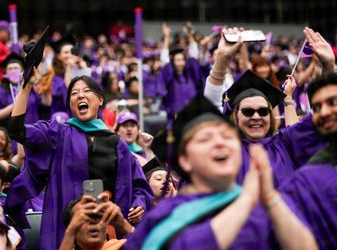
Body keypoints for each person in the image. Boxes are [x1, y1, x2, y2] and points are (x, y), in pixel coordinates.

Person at [126, 95, 316, 249]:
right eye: (205, 139)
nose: (220, 143)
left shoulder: (259, 209)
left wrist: (271, 198)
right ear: (184, 159)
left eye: (227, 136)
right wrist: (246, 200)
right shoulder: (165, 217)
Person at [5, 74, 153, 249]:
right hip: (68, 230)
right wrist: (26, 87)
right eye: (74, 93)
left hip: (109, 233)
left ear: (100, 100)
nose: (80, 95)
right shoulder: (58, 134)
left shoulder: (117, 143)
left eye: (86, 91)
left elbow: (139, 185)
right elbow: (17, 131)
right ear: (70, 104)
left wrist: (139, 204)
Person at [204, 28, 325, 187]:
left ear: (270, 115)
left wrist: (329, 67)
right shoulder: (225, 150)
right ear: (236, 115)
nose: (256, 116)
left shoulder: (284, 144)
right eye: (248, 111)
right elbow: (209, 109)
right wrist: (221, 61)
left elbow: (324, 112)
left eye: (263, 111)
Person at [280, 72, 337, 249]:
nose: (324, 112)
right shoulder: (314, 173)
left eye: (332, 102)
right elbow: (293, 132)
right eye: (317, 107)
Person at [59, 192, 134, 250]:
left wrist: (124, 225)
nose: (93, 222)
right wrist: (70, 233)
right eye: (85, 217)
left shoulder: (125, 246)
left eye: (97, 216)